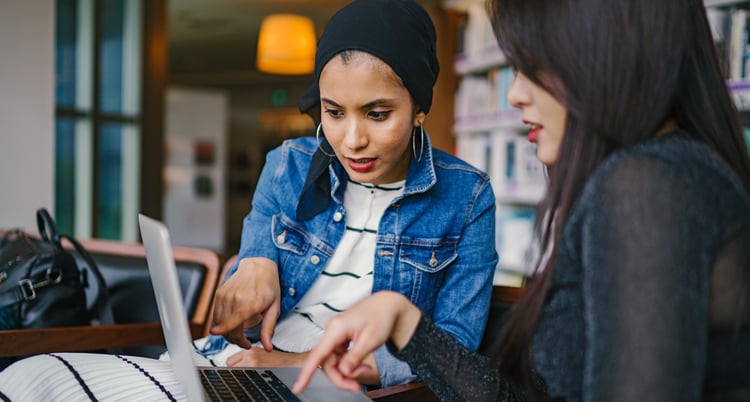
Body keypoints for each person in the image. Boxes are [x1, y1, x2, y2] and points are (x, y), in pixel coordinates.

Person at [294, 0, 750, 400]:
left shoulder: (647, 186)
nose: (515, 94)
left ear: (604, 52)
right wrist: (405, 323)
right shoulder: (663, 175)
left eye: (532, 67)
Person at [202, 0, 498, 389]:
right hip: (240, 361)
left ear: (419, 109)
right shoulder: (287, 164)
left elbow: (450, 353)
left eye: (377, 114)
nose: (352, 141)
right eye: (334, 112)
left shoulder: (467, 197)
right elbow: (253, 258)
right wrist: (254, 260)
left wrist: (295, 363)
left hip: (331, 384)